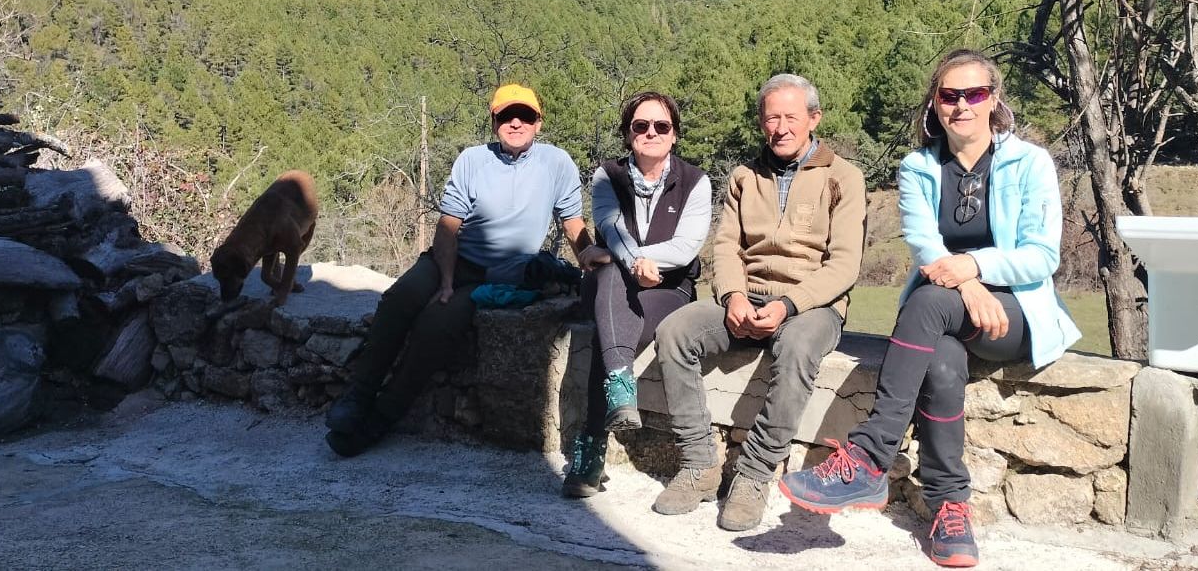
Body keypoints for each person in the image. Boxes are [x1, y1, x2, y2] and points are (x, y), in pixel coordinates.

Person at [777, 49, 1080, 569]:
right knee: (940, 363)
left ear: (994, 101)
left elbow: (1040, 256)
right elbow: (925, 248)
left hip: (1013, 314)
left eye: (974, 94)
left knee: (928, 298)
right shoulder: (918, 166)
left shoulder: (1030, 163)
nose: (962, 105)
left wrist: (973, 269)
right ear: (935, 104)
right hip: (950, 309)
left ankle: (870, 456)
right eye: (949, 95)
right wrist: (965, 283)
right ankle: (950, 509)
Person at [650, 73, 868, 531]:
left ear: (814, 118)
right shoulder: (744, 176)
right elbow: (726, 247)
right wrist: (730, 296)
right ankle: (698, 465)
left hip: (813, 305)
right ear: (760, 123)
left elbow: (844, 265)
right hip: (745, 298)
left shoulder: (843, 177)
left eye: (791, 117)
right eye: (771, 118)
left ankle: (754, 473)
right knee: (674, 332)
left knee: (796, 349)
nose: (781, 127)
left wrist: (789, 305)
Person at [324, 83, 591, 457]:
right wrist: (446, 280)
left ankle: (380, 419)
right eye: (506, 116)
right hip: (451, 260)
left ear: (539, 123)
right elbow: (449, 224)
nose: (516, 123)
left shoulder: (557, 163)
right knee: (401, 299)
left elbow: (572, 222)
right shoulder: (472, 160)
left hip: (498, 276)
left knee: (436, 326)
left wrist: (590, 258)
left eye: (525, 116)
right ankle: (357, 396)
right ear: (494, 120)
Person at [562, 91, 712, 498]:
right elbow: (611, 228)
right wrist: (628, 263)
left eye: (661, 126)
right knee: (611, 278)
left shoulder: (696, 181)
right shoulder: (606, 175)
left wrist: (638, 262)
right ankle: (620, 383)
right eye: (640, 126)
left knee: (611, 336)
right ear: (628, 134)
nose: (651, 133)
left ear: (675, 134)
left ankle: (589, 449)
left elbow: (687, 246)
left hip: (669, 286)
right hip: (613, 280)